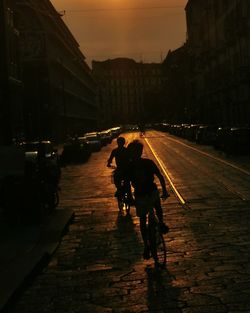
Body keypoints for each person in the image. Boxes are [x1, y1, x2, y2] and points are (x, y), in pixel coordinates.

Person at [127, 140, 170, 261]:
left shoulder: (148, 163)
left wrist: (165, 190)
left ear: (140, 152)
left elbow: (160, 176)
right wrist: (130, 197)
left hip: (151, 191)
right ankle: (146, 245)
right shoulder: (130, 167)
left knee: (157, 206)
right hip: (140, 195)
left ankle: (161, 223)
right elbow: (127, 183)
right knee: (142, 219)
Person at [107, 137, 133, 201]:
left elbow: (110, 159)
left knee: (116, 179)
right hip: (126, 169)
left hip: (120, 169)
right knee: (127, 182)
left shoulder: (115, 151)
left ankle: (119, 190)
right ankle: (130, 197)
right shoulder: (126, 150)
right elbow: (131, 159)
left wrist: (109, 164)